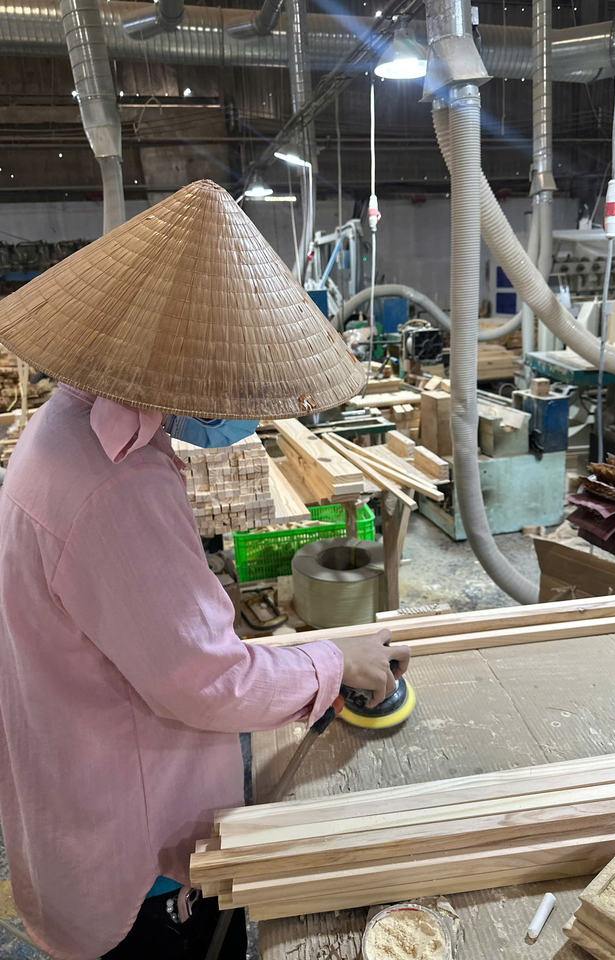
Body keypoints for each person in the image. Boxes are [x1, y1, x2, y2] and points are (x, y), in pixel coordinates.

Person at [0, 180, 411, 960]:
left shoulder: (66, 428)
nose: (235, 409)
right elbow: (203, 681)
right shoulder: (114, 484)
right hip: (137, 858)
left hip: (74, 784)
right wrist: (333, 661)